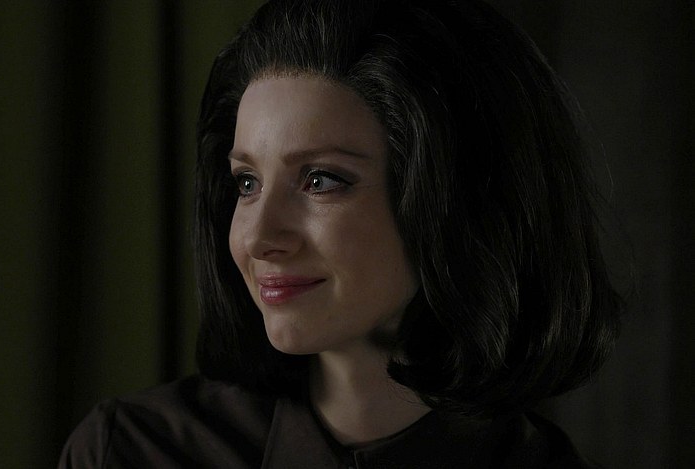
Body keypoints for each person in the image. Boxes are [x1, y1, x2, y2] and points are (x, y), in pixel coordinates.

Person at [60, 0, 622, 467]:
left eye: (321, 180)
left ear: (461, 206)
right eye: (247, 182)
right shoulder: (126, 452)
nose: (258, 238)